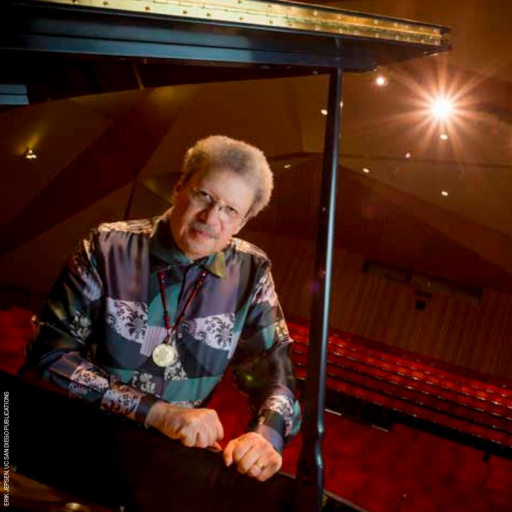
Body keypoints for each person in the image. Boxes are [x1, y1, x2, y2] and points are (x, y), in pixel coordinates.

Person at [21, 135, 301, 489]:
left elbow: (275, 377)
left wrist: (266, 436)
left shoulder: (252, 271)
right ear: (178, 189)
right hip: (68, 441)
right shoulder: (106, 246)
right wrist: (158, 413)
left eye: (230, 210)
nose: (211, 218)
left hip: (159, 468)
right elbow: (49, 357)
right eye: (204, 196)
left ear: (241, 223)